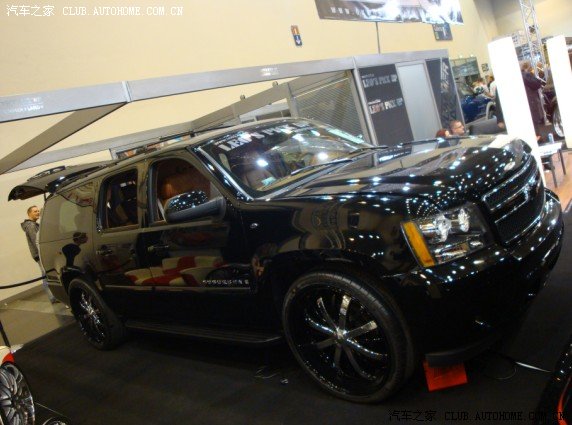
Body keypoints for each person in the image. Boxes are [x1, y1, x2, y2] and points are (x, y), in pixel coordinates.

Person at [21, 206, 57, 303]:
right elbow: (36, 242)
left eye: (38, 211)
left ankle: (53, 296)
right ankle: (52, 297)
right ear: (29, 214)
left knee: (46, 275)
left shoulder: (33, 224)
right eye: (35, 211)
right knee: (46, 275)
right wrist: (44, 253)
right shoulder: (31, 226)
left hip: (40, 254)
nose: (38, 212)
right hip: (40, 254)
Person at [521, 61, 545, 138]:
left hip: (526, 102)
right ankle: (538, 138)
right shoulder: (526, 75)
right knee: (534, 124)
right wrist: (532, 75)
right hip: (531, 102)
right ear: (527, 67)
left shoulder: (519, 75)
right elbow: (537, 84)